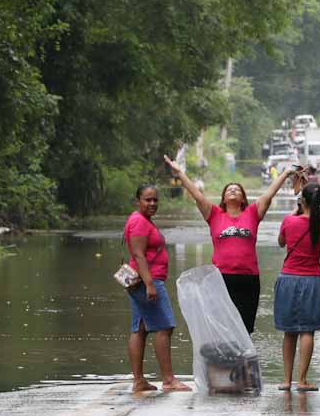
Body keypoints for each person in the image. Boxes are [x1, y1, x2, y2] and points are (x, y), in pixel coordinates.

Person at [164, 154, 299, 334]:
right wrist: (180, 173)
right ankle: (223, 362)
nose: (233, 190)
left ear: (243, 199)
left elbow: (269, 193)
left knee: (244, 330)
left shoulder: (252, 213)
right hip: (221, 279)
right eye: (229, 190)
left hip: (248, 279)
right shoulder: (214, 214)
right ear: (224, 199)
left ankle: (243, 363)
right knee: (222, 329)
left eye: (237, 189)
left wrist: (287, 173)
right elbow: (197, 195)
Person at [124, 185, 189, 394]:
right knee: (165, 326)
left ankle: (139, 381)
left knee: (140, 328)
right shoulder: (139, 222)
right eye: (147, 200)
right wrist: (150, 283)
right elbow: (138, 254)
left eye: (155, 200)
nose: (152, 203)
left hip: (141, 280)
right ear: (138, 201)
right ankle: (168, 379)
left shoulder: (141, 221)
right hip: (146, 281)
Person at [274, 182, 320, 391]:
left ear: (303, 201)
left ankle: (286, 380)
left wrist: (297, 208)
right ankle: (302, 380)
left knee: (289, 331)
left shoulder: (289, 221)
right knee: (307, 331)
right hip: (314, 280)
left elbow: (281, 242)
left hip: (288, 278)